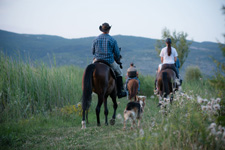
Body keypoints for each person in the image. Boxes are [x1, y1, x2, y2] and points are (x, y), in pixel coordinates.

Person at [92, 22, 127, 98]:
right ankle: (120, 92)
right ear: (109, 30)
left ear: (101, 30)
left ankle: (90, 87)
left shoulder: (95, 39)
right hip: (109, 61)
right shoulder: (112, 40)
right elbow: (117, 54)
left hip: (97, 60)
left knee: (90, 70)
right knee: (119, 72)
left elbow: (93, 52)